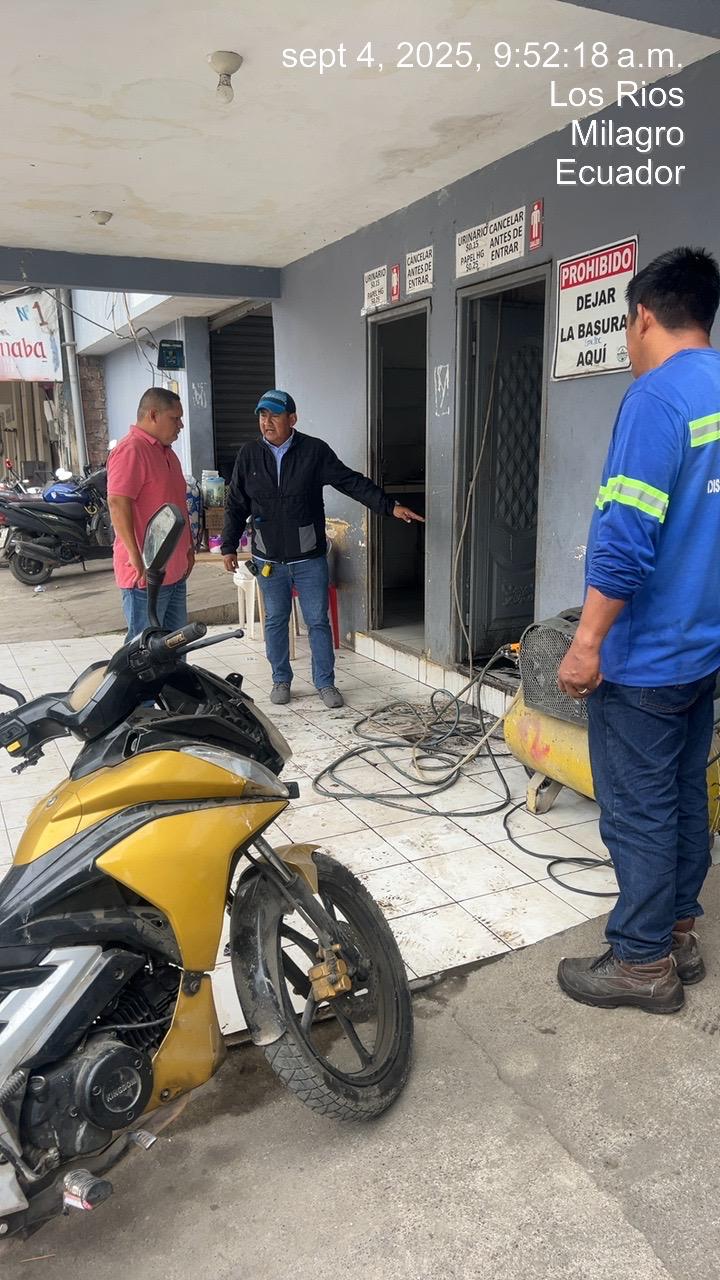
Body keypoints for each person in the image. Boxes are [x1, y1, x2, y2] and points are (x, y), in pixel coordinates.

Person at [557, 246, 720, 1015]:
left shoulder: (656, 400)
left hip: (646, 658)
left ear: (643, 317)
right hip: (703, 651)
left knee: (639, 809)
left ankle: (642, 960)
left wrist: (586, 642)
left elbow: (626, 537)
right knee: (683, 793)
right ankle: (679, 932)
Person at [221, 389, 424, 707]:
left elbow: (350, 481)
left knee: (317, 621)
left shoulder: (314, 451)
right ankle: (280, 679)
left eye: (274, 415)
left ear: (292, 419)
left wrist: (389, 506)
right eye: (262, 415)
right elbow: (236, 503)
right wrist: (229, 545)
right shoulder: (249, 454)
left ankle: (325, 683)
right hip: (268, 559)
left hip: (309, 558)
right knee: (275, 620)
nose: (267, 422)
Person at [108, 387, 194, 640]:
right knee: (145, 650)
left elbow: (176, 504)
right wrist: (134, 554)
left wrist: (188, 548)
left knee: (175, 647)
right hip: (146, 576)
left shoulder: (167, 454)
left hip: (174, 572)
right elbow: (117, 503)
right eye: (175, 418)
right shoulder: (131, 449)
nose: (180, 425)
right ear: (153, 415)